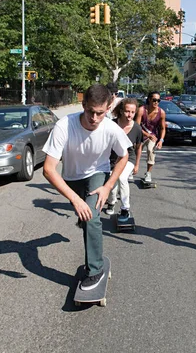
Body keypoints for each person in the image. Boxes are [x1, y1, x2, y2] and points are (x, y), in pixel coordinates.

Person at [42, 84, 132, 290]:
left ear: (108, 109)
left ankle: (95, 270)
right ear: (83, 105)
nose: (94, 118)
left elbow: (123, 155)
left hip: (97, 175)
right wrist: (74, 199)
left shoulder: (111, 129)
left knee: (90, 216)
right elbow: (48, 169)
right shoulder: (64, 126)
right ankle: (84, 221)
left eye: (100, 113)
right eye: (90, 111)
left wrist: (108, 186)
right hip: (72, 178)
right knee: (83, 213)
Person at [105, 98, 143, 220]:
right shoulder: (112, 124)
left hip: (129, 158)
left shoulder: (137, 128)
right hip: (112, 160)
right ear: (121, 111)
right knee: (112, 183)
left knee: (121, 178)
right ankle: (111, 202)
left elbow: (138, 148)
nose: (129, 115)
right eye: (127, 111)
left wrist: (137, 165)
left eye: (132, 112)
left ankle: (125, 208)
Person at [135, 91, 166, 183]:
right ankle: (133, 168)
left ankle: (148, 173)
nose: (156, 102)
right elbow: (136, 127)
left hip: (153, 136)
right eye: (154, 100)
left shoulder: (161, 113)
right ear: (149, 99)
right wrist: (147, 134)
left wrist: (161, 140)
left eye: (158, 100)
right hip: (141, 134)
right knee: (137, 149)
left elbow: (163, 129)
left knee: (151, 150)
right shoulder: (142, 110)